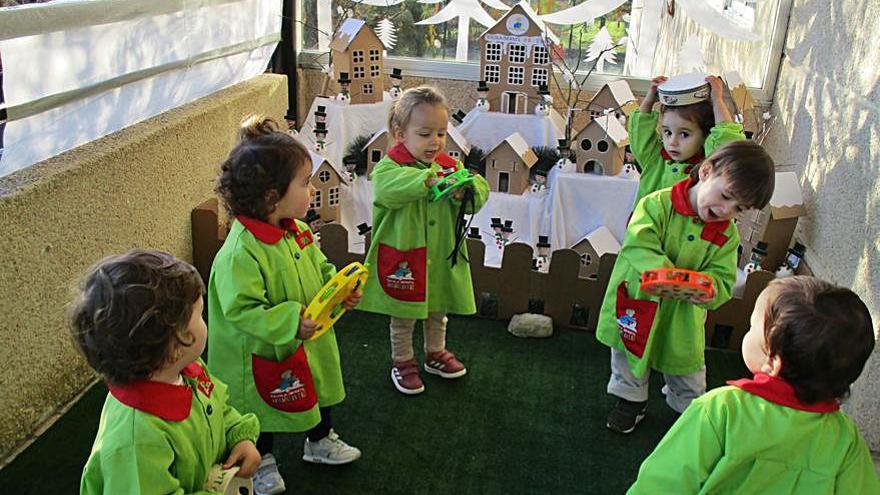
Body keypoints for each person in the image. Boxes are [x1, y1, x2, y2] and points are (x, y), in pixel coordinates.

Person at [208, 117, 361, 495]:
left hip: (308, 337)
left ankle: (320, 440)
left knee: (320, 387)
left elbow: (319, 268)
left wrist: (337, 288)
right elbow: (242, 310)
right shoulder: (240, 253)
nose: (312, 190)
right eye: (305, 183)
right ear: (271, 196)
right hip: (264, 348)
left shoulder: (299, 230)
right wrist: (292, 320)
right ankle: (261, 460)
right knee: (261, 406)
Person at [628, 276, 880, 493]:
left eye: (751, 327)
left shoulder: (721, 409)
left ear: (773, 360)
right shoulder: (846, 440)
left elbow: (662, 483)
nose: (748, 332)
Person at [597, 140, 775, 434]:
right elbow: (639, 243)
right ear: (706, 171)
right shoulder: (656, 204)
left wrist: (711, 291)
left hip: (684, 313)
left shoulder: (727, 236)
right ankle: (630, 401)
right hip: (640, 301)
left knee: (686, 363)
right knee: (629, 353)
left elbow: (722, 277)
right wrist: (667, 276)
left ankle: (687, 410)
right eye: (726, 195)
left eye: (738, 208)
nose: (726, 210)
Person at [72, 250, 261, 494]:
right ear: (177, 342)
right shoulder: (136, 441)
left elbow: (219, 409)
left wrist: (240, 436)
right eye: (200, 314)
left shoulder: (188, 370)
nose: (205, 320)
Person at [358, 86, 489, 395]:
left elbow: (477, 189)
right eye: (426, 133)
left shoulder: (447, 166)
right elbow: (388, 189)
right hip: (404, 255)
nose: (436, 142)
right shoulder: (391, 166)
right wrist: (425, 180)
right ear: (400, 133)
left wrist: (465, 191)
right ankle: (403, 361)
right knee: (403, 315)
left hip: (438, 254)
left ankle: (435, 353)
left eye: (441, 133)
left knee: (437, 308)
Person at [629, 74, 745, 206]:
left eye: (684, 134)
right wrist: (650, 99)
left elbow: (727, 141)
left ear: (705, 135)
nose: (672, 142)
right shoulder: (654, 158)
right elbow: (639, 131)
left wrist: (717, 100)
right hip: (645, 226)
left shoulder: (708, 168)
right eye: (667, 132)